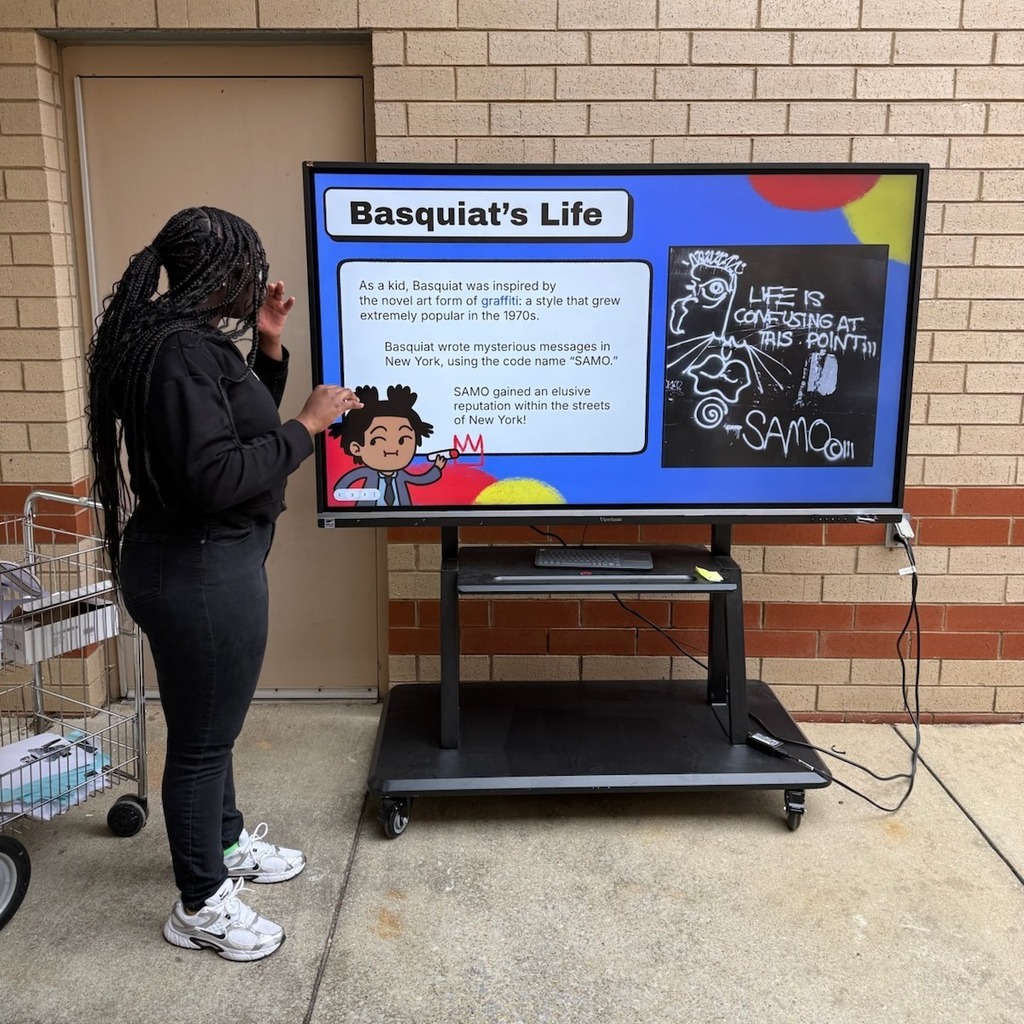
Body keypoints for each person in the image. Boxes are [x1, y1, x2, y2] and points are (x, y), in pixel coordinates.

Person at [86, 206, 362, 962]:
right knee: (204, 742)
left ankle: (228, 843)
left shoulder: (186, 344)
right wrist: (307, 426)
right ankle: (200, 902)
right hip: (200, 567)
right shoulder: (176, 351)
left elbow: (234, 427)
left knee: (211, 722)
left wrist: (269, 346)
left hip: (199, 563)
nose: (257, 279)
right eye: (250, 266)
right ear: (222, 272)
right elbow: (218, 475)